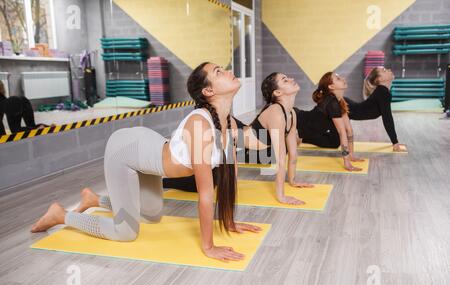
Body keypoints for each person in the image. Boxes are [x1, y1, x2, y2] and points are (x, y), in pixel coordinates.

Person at [31, 62, 262, 263]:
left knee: (152, 215)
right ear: (208, 90)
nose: (230, 71)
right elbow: (205, 193)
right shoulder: (200, 125)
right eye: (219, 71)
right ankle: (61, 215)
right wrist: (209, 247)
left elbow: (229, 176)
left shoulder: (228, 123)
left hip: (148, 150)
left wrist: (229, 222)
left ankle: (94, 199)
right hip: (125, 152)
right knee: (125, 232)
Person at [164, 72, 314, 205]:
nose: (291, 79)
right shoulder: (276, 112)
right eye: (285, 79)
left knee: (211, 178)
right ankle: (165, 178)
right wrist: (281, 196)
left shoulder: (292, 114)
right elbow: (280, 159)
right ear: (277, 92)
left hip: (247, 142)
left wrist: (293, 181)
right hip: (239, 141)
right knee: (204, 179)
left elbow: (292, 153)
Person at [296, 72, 364, 172]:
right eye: (338, 78)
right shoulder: (332, 103)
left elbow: (348, 130)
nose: (342, 78)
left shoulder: (340, 101)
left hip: (304, 127)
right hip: (297, 120)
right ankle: (264, 162)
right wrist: (346, 162)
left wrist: (351, 155)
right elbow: (342, 132)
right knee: (268, 146)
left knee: (334, 143)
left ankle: (299, 139)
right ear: (331, 86)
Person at [345, 67, 407, 152]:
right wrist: (395, 143)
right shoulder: (383, 92)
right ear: (379, 79)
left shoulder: (382, 91)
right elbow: (387, 118)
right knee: (334, 143)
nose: (389, 69)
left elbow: (387, 117)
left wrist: (395, 142)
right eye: (384, 70)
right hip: (347, 108)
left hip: (349, 108)